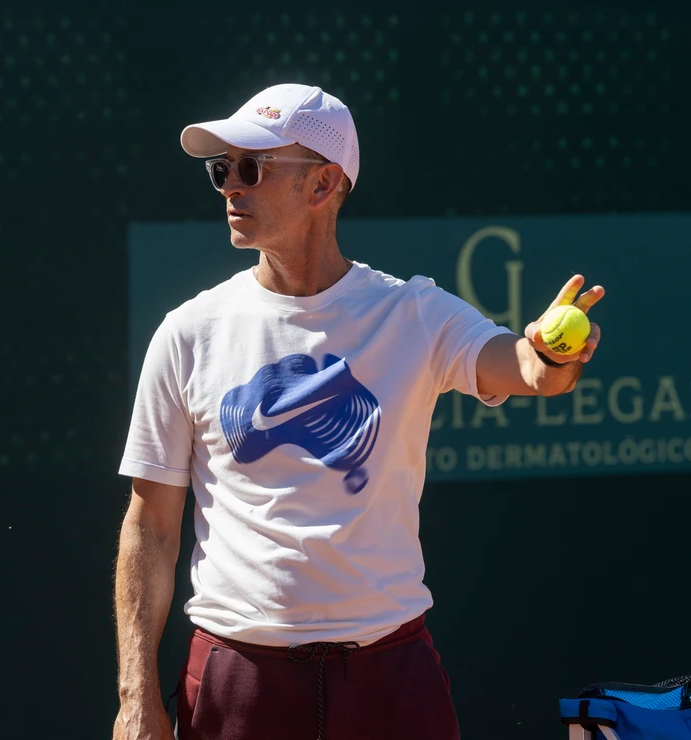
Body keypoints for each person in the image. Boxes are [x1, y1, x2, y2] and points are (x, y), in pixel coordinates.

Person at [112, 83, 603, 740]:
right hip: (238, 680)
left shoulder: (415, 313)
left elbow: (525, 369)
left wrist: (550, 353)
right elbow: (152, 529)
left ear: (323, 185)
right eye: (221, 169)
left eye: (252, 168)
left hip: (389, 679)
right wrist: (137, 694)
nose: (231, 186)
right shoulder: (187, 332)